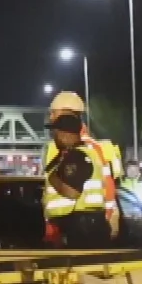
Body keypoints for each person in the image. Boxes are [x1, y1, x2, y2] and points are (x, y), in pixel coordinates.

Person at [41, 91, 116, 248]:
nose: (50, 117)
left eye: (53, 113)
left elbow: (106, 190)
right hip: (81, 224)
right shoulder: (97, 148)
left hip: (82, 226)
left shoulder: (76, 151)